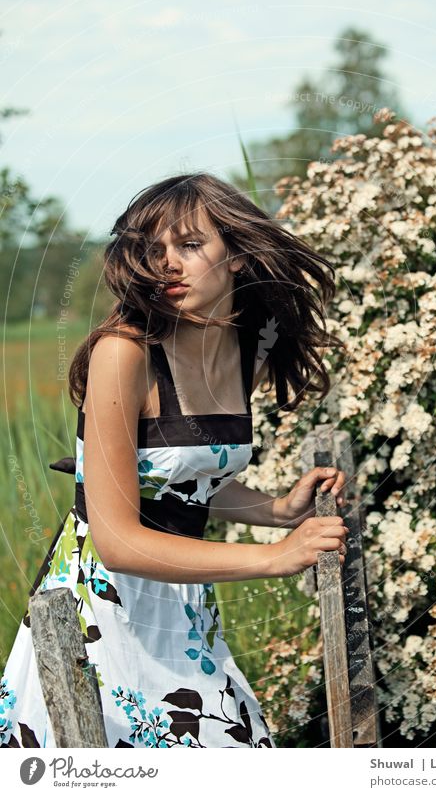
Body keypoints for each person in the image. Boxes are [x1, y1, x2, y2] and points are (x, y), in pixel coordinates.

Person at [0, 172, 348, 748]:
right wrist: (273, 558)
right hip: (102, 611)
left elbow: (181, 480)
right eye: (153, 250)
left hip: (186, 611)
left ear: (236, 255)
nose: (168, 265)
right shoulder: (124, 354)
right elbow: (118, 541)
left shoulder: (243, 354)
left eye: (190, 245)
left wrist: (279, 509)